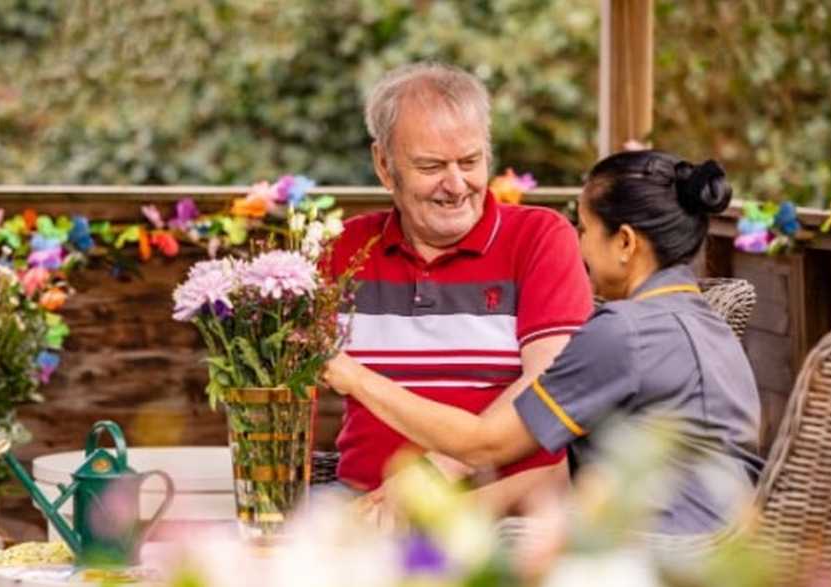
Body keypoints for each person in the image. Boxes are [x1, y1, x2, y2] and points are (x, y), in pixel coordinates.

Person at [324, 148, 765, 534]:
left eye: (586, 229)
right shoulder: (705, 324)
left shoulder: (622, 332)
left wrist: (355, 378)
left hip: (664, 551)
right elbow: (562, 470)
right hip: (723, 545)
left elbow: (484, 443)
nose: (579, 245)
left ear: (626, 243)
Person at [323, 62, 594, 495]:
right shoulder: (344, 249)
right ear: (384, 165)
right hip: (362, 498)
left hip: (504, 500)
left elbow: (549, 391)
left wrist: (432, 475)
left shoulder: (540, 237)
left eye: (470, 161)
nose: (456, 185)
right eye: (431, 167)